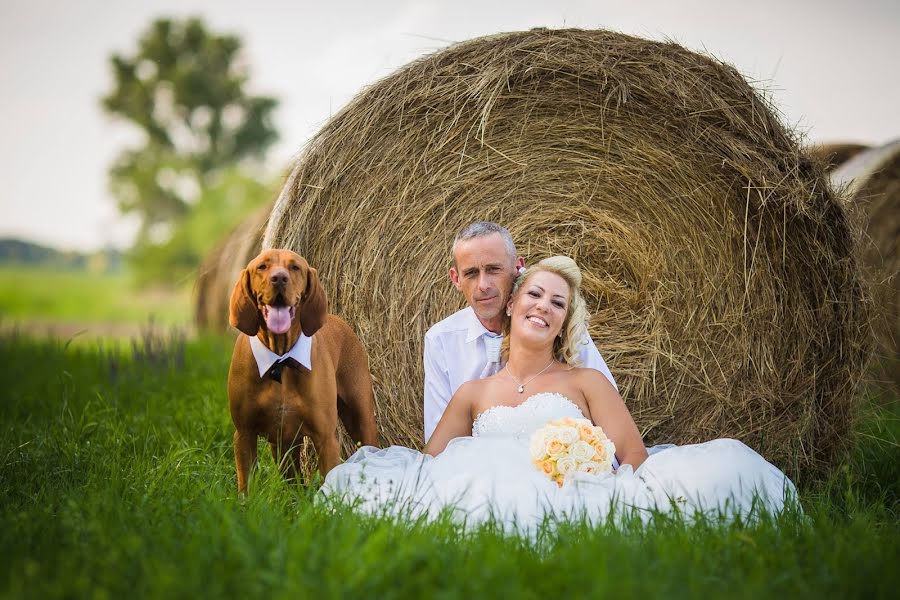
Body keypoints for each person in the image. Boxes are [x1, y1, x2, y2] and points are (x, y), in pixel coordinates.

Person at [321, 256, 797, 533]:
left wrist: (589, 482)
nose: (543, 307)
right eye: (534, 295)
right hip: (491, 503)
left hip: (579, 496)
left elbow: (633, 454)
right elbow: (429, 469)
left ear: (564, 322)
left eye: (557, 304)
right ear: (510, 306)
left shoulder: (584, 382)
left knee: (727, 471)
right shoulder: (473, 392)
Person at [423, 221, 616, 442]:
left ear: (518, 267)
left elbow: (609, 420)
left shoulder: (558, 324)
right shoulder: (441, 340)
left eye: (494, 269)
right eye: (471, 273)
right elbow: (440, 444)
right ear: (456, 279)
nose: (483, 285)